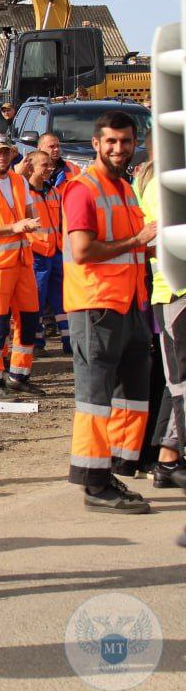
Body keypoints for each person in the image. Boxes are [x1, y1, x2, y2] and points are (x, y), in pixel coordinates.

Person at [62, 110, 156, 513]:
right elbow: (83, 250)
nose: (119, 148)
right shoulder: (84, 189)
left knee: (132, 393)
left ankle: (114, 467)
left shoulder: (125, 187)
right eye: (112, 142)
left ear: (136, 144)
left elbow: (133, 245)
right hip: (96, 305)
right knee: (96, 399)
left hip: (129, 303)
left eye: (126, 141)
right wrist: (137, 241)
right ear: (96, 143)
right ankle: (94, 483)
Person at [0, 135, 41, 396]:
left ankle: (19, 375)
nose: (2, 157)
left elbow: (29, 211)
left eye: (6, 153)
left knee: (29, 317)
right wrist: (16, 227)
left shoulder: (18, 180)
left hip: (23, 260)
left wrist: (31, 221)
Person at [136, 148, 186, 491]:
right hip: (173, 292)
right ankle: (168, 457)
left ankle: (168, 455)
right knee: (180, 382)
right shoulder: (163, 185)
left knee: (177, 381)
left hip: (172, 292)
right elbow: (160, 238)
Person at [23, 151, 70, 356]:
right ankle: (37, 343)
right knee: (37, 301)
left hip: (56, 252)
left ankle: (70, 342)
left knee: (63, 301)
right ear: (31, 168)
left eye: (50, 165)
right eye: (45, 165)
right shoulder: (24, 193)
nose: (49, 168)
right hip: (36, 254)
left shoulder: (53, 191)